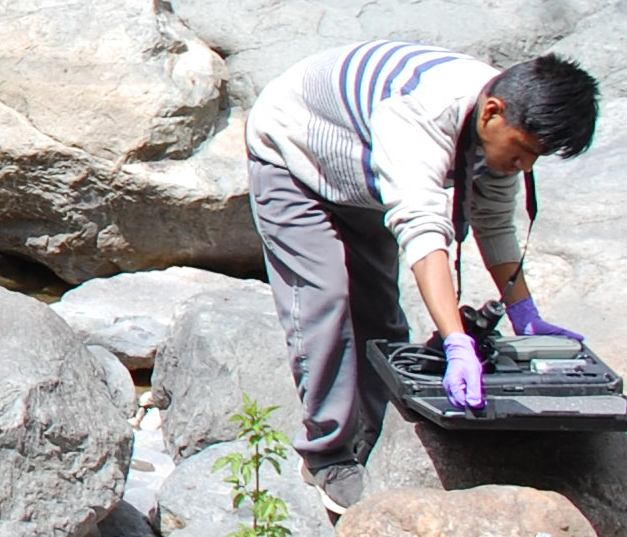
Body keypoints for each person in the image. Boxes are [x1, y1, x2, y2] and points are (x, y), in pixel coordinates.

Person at [243, 42, 601, 510]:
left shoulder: (500, 118)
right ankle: (325, 455)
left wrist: (524, 312)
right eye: (525, 152)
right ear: (492, 113)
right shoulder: (422, 115)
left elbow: (492, 221)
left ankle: (369, 442)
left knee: (381, 317)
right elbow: (423, 229)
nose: (526, 166)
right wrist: (456, 343)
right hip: (293, 155)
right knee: (325, 302)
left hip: (364, 172)